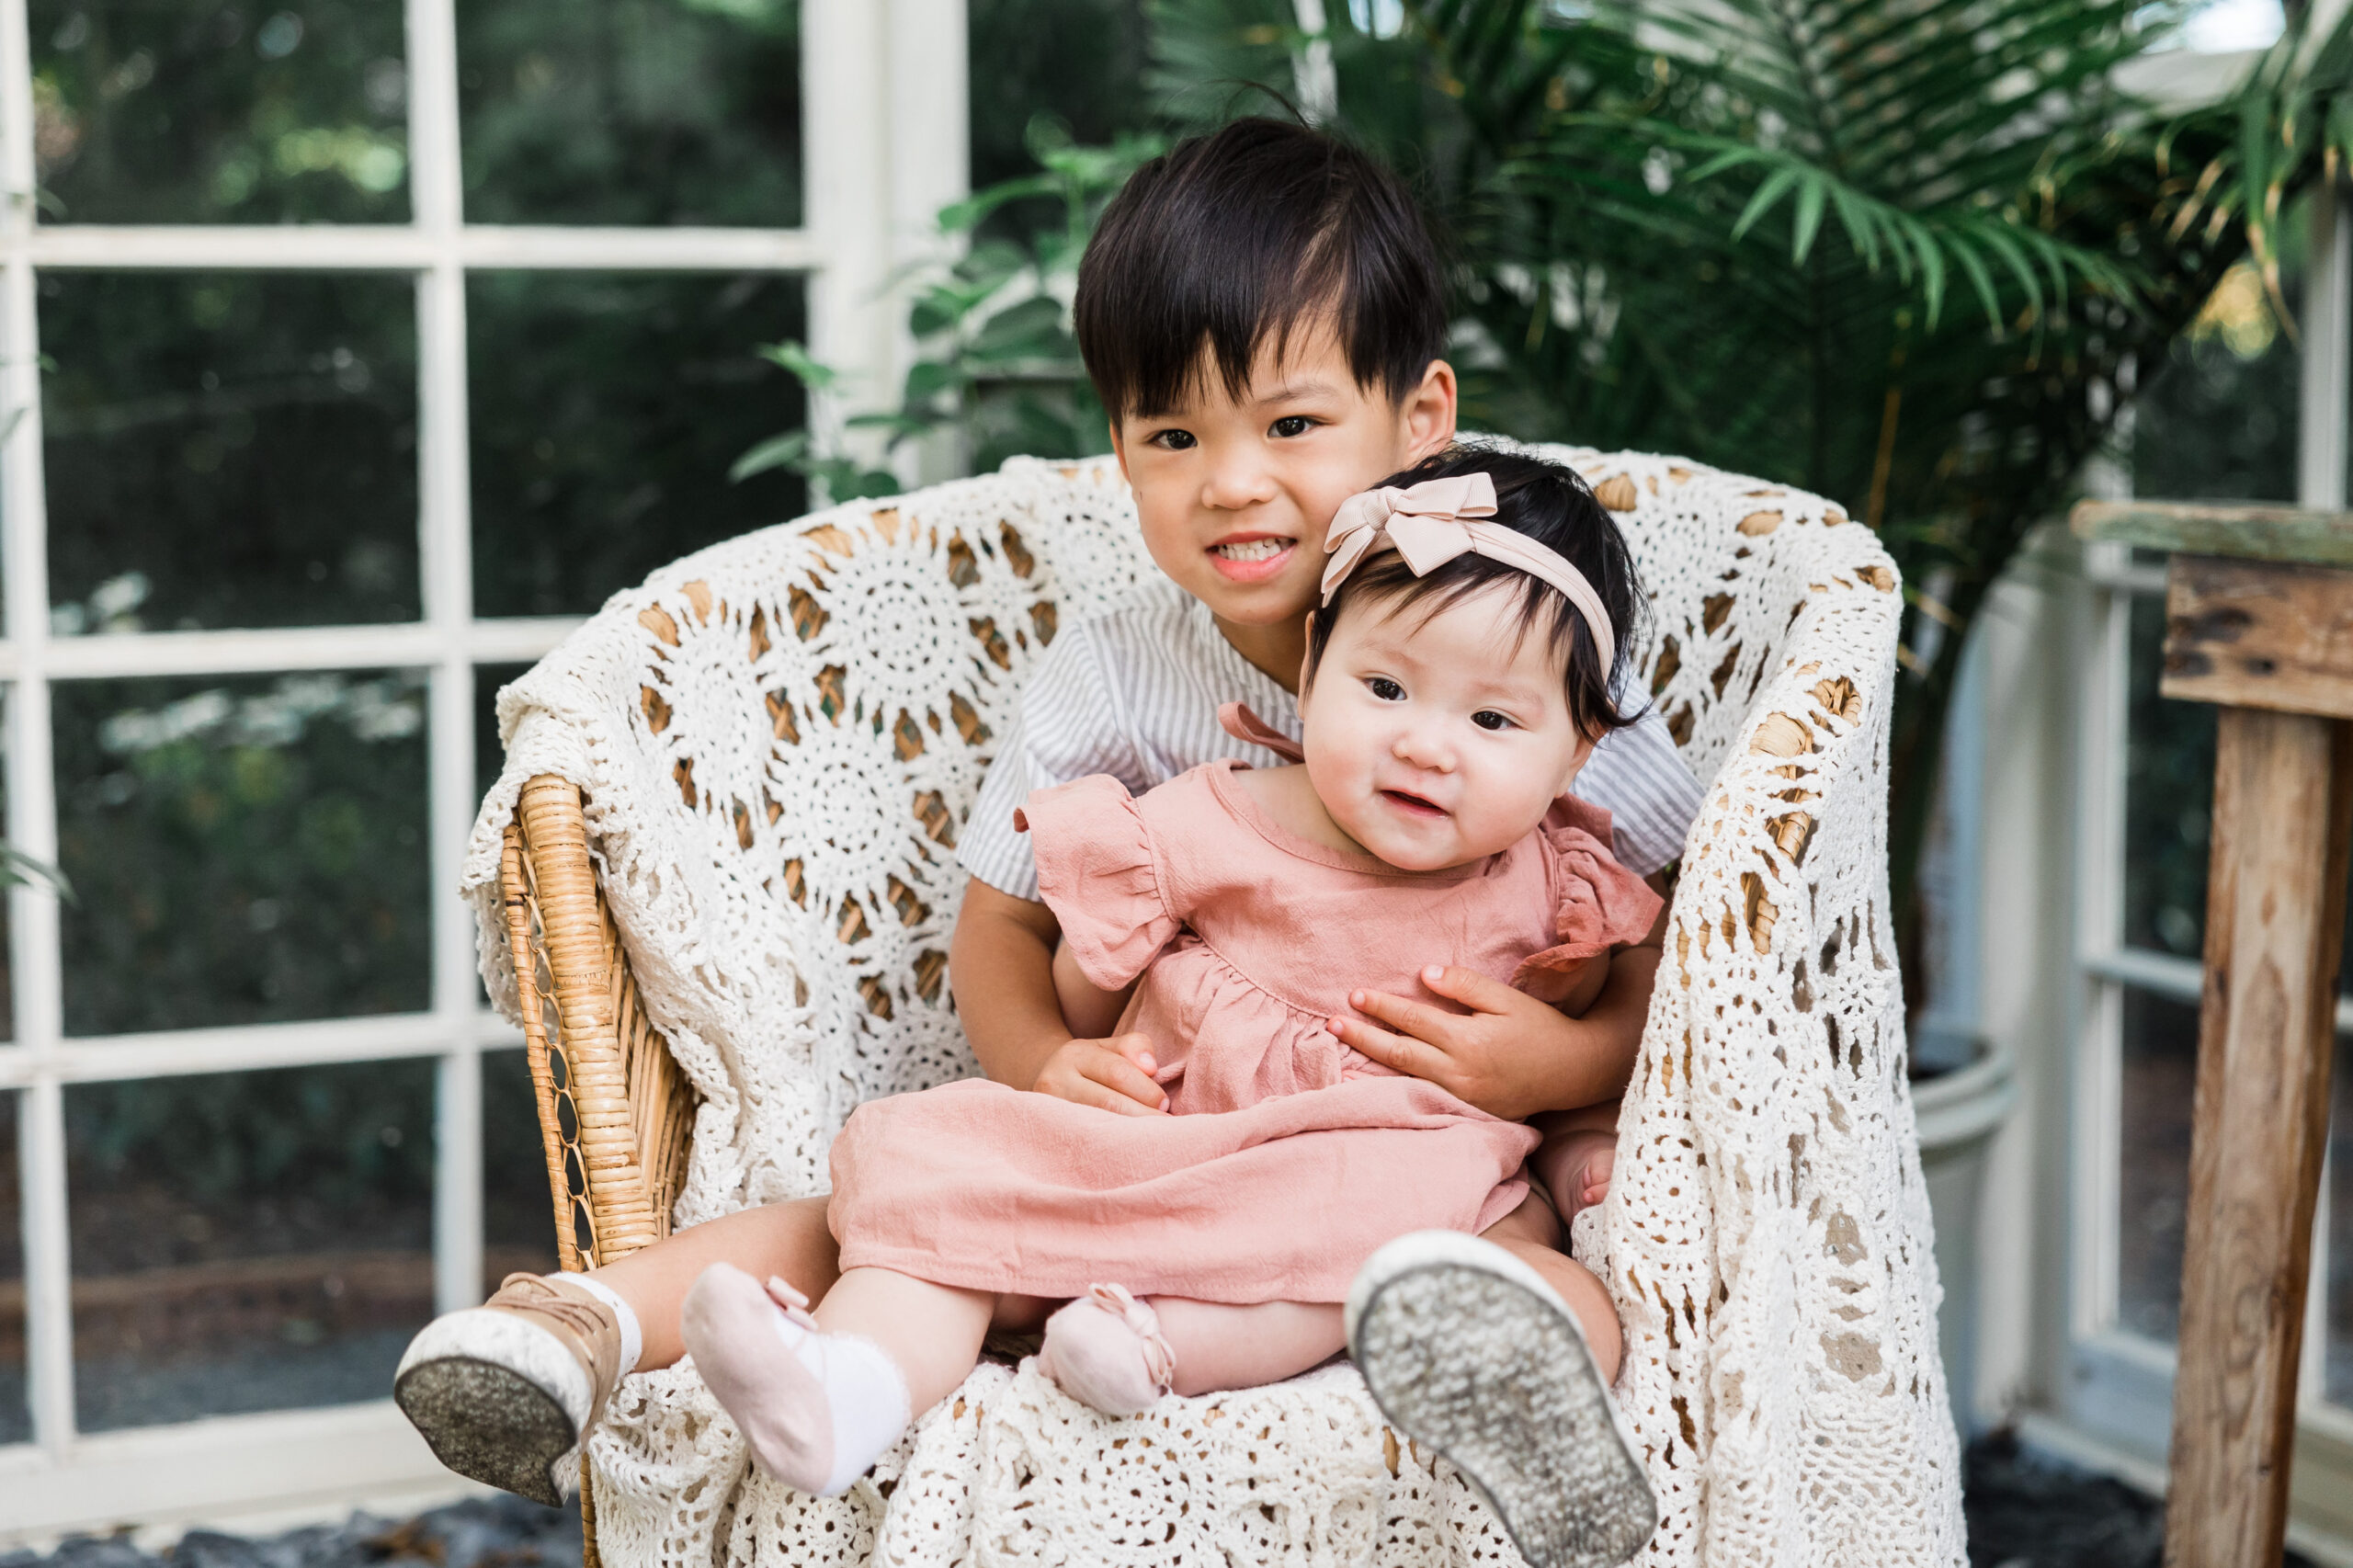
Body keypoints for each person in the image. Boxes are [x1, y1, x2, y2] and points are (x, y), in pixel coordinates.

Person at [392, 117, 1702, 1543]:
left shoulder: (1532, 650)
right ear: (1120, 447)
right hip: (1162, 1114)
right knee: (905, 1184)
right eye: (1172, 434)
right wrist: (1050, 1062)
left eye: (1294, 423)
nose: (1233, 481)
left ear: (1422, 417)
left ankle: (1540, 1416)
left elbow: (1684, 934)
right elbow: (1002, 926)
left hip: (1405, 1143)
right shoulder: (1125, 669)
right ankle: (579, 1329)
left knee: (1498, 1255)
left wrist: (1566, 1057)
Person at [677, 450, 1658, 1568]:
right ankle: (847, 1387)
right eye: (1383, 689)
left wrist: (1581, 1121)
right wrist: (1092, 1011)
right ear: (1314, 663)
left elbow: (1599, 1046)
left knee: (1534, 1281)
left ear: (1574, 751)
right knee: (948, 1168)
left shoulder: (1559, 884)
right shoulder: (1218, 812)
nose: (1424, 744)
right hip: (1168, 1135)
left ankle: (1524, 1435)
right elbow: (1081, 979)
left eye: (1492, 720)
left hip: (1387, 1169)